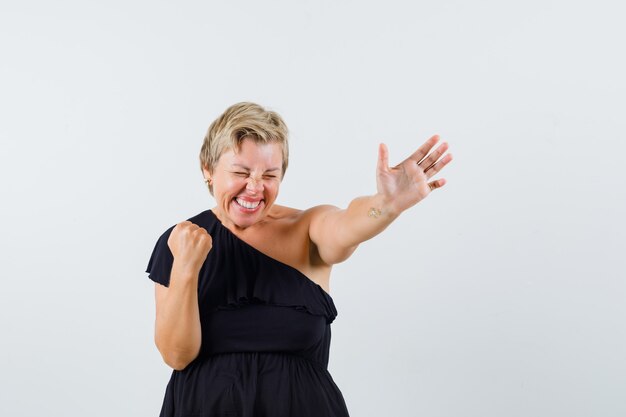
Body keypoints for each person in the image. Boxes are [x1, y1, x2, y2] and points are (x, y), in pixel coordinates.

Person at [145, 102, 453, 417]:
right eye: (240, 172)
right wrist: (185, 268)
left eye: (269, 175)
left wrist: (386, 205)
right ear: (208, 169)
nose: (254, 188)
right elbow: (176, 355)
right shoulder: (180, 241)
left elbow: (348, 225)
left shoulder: (307, 229)